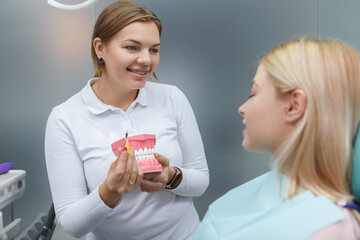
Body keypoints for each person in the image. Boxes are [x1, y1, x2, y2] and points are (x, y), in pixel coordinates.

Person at [44, 1, 209, 239]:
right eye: (132, 47)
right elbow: (71, 223)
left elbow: (201, 179)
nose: (146, 60)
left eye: (154, 50)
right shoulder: (65, 118)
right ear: (100, 48)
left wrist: (171, 176)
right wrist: (109, 191)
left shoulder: (173, 97)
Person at [193, 37, 360, 239]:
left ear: (293, 106)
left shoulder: (327, 227)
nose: (242, 109)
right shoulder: (252, 193)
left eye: (253, 94)